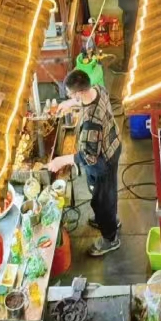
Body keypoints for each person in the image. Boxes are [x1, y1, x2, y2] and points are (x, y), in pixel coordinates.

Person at [47, 68, 123, 257]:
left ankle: (110, 238)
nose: (72, 97)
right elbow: (83, 98)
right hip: (113, 143)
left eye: (72, 94)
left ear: (80, 93)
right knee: (108, 193)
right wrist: (70, 103)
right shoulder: (98, 89)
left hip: (103, 160)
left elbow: (89, 157)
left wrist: (61, 161)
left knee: (101, 201)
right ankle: (110, 220)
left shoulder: (91, 121)